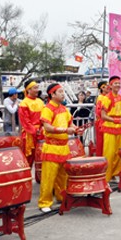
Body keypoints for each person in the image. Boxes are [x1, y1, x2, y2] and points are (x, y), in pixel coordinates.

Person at [38, 83, 77, 213]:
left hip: (64, 147)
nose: (63, 94)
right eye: (60, 92)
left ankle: (62, 197)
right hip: (51, 147)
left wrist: (75, 128)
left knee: (63, 176)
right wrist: (66, 130)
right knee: (48, 177)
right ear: (52, 94)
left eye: (63, 91)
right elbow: (47, 127)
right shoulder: (47, 109)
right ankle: (45, 202)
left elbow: (71, 122)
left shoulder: (65, 109)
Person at [18, 79, 44, 167]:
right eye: (35, 88)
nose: (37, 90)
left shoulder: (40, 102)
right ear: (29, 90)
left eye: (37, 88)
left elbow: (44, 117)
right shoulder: (24, 103)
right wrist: (34, 130)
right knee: (28, 158)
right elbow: (25, 121)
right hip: (29, 134)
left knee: (41, 156)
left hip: (41, 132)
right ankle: (26, 176)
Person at [94, 81, 109, 156]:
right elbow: (99, 111)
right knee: (101, 142)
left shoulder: (106, 97)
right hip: (101, 122)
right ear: (102, 88)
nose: (108, 87)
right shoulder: (101, 97)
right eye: (106, 86)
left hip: (105, 121)